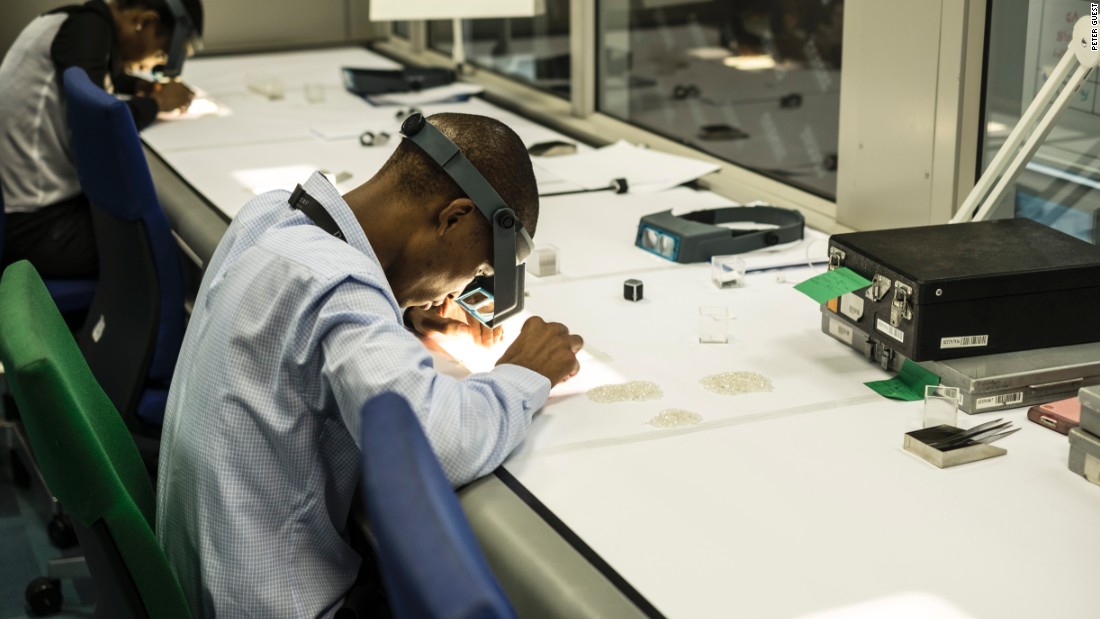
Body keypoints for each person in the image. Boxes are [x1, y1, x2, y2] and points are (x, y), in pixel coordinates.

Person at [156, 112, 584, 617]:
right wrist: (525, 371)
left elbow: (314, 328)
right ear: (453, 218)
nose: (465, 288)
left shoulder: (271, 214)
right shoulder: (340, 293)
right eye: (480, 267)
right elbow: (440, 444)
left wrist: (398, 313)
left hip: (198, 577)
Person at [0, 0, 203, 278]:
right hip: (36, 227)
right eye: (159, 53)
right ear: (144, 22)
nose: (153, 65)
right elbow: (97, 124)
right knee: (169, 250)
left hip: (24, 208)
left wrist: (139, 85)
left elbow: (97, 76)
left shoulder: (78, 24)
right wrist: (157, 103)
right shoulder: (87, 31)